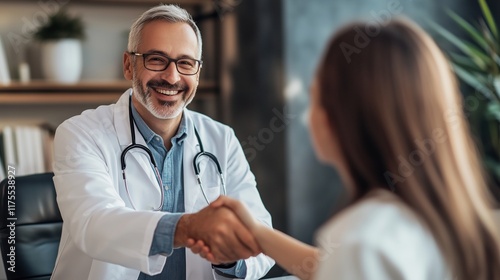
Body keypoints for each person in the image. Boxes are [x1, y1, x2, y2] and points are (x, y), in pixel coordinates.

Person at [188, 18, 500, 280]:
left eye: (315, 97)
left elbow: (352, 258)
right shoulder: (465, 225)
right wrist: (258, 234)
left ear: (342, 119)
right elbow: (328, 266)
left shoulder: (360, 241)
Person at [51, 4, 274, 280]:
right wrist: (188, 227)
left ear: (198, 73)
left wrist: (231, 260)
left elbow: (261, 231)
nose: (172, 76)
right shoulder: (80, 134)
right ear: (128, 65)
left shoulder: (221, 139)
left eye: (186, 63)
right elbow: (94, 224)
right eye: (156, 59)